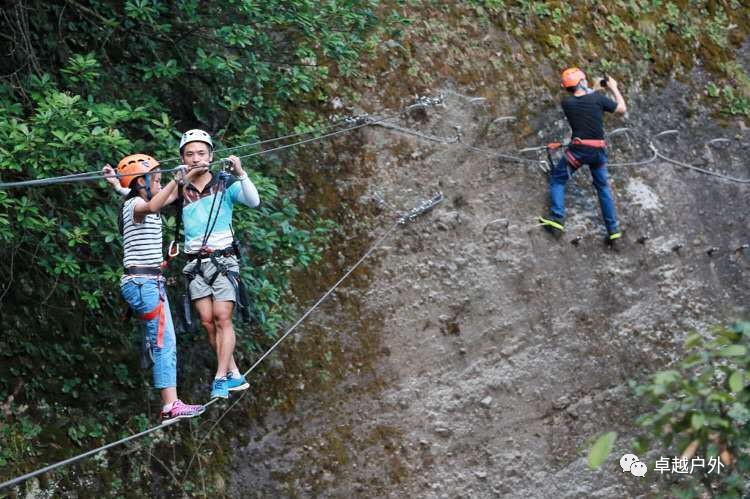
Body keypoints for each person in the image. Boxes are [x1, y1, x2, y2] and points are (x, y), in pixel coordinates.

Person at [106, 154, 207, 422]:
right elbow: (150, 206)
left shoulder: (137, 199)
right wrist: (177, 180)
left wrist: (193, 173)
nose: (161, 184)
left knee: (162, 340)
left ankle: (171, 402)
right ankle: (170, 404)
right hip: (144, 284)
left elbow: (167, 197)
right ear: (141, 182)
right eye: (157, 180)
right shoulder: (138, 205)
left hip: (147, 284)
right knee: (165, 342)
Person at [177, 129, 260, 399]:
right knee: (208, 322)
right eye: (190, 154)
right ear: (182, 159)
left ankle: (219, 378)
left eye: (201, 153)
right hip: (194, 263)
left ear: (211, 156)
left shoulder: (225, 183)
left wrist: (241, 173)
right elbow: (155, 203)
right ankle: (234, 374)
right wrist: (123, 187)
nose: (196, 158)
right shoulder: (181, 188)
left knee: (223, 317)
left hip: (222, 259)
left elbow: (253, 201)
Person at [539, 67, 627, 248]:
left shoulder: (568, 104)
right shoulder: (598, 99)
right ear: (581, 82)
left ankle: (557, 220)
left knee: (558, 179)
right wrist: (614, 88)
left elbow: (587, 99)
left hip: (578, 151)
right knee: (603, 188)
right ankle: (614, 233)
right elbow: (621, 109)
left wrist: (595, 87)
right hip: (598, 152)